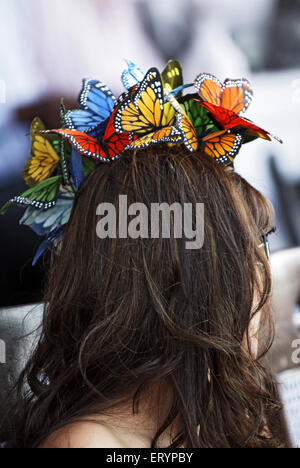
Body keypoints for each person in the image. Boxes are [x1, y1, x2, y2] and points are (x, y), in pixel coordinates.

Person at [0, 146, 289, 448]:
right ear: (190, 285)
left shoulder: (223, 414)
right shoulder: (87, 443)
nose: (262, 278)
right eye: (250, 256)